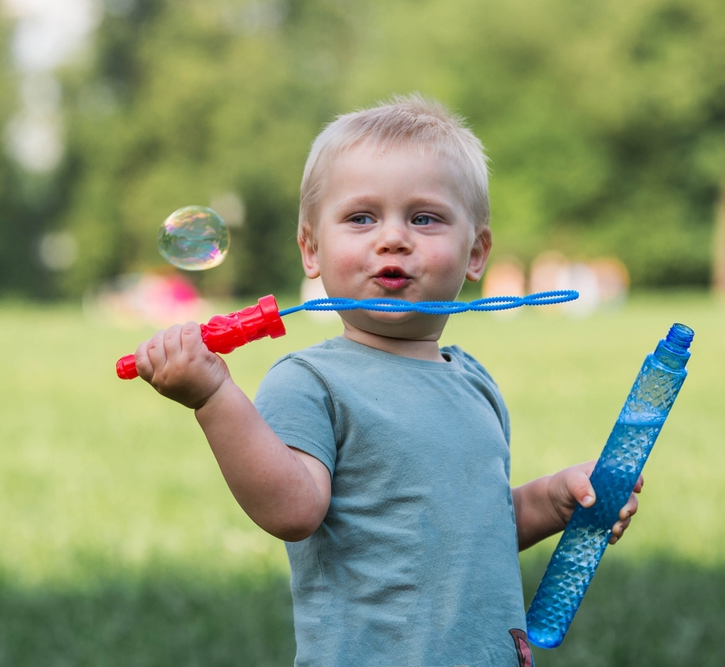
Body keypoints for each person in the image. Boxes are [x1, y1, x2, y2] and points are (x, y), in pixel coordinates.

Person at [132, 96, 641, 667]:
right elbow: (292, 511)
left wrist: (552, 500)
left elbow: (473, 536)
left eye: (424, 218)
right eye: (361, 218)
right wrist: (213, 397)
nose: (393, 238)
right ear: (311, 249)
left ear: (475, 253)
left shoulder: (474, 382)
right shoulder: (311, 382)